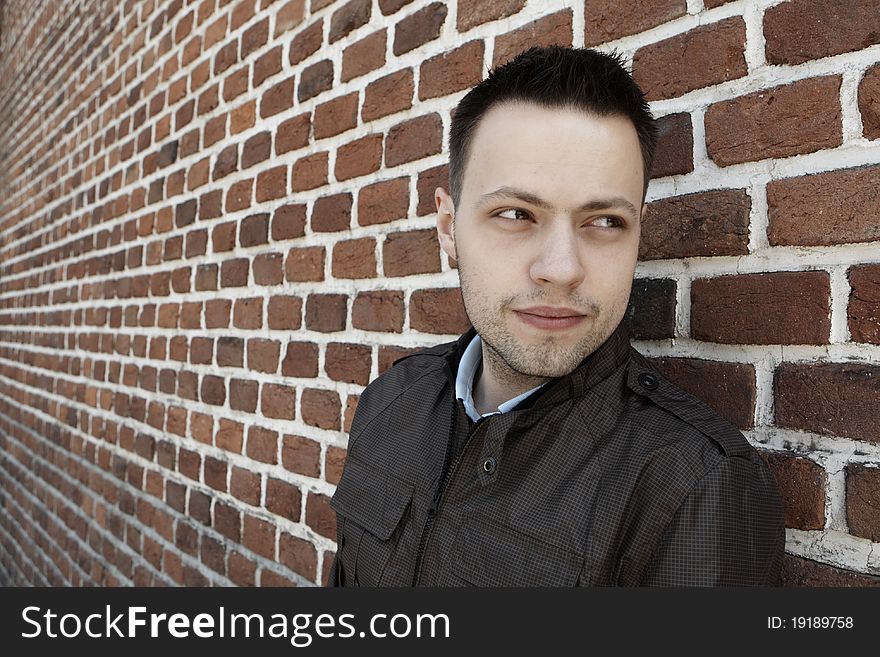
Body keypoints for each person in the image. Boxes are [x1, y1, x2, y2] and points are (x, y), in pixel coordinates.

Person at [328, 46, 785, 586]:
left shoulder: (693, 483)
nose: (562, 269)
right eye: (516, 214)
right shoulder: (391, 399)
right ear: (449, 227)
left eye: (606, 222)